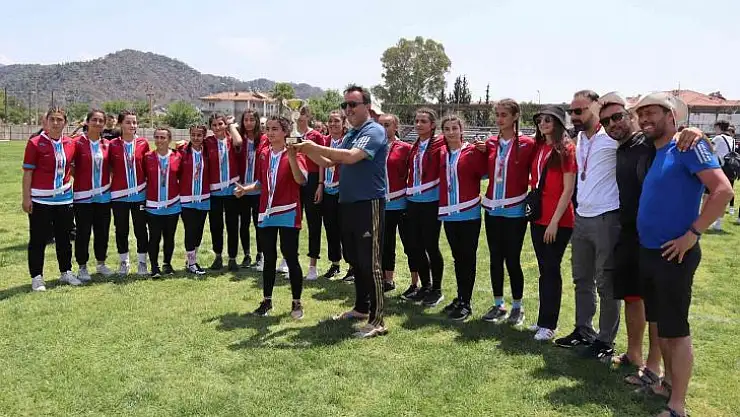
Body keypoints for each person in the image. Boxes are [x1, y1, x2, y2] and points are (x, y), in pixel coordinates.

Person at [634, 92, 733, 417]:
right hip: (651, 252)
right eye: (641, 113)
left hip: (674, 254)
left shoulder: (688, 146)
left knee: (675, 331)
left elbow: (723, 190)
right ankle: (665, 385)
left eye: (652, 112)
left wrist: (693, 233)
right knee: (662, 326)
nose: (644, 118)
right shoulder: (657, 149)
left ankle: (677, 405)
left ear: (671, 116)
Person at [292, 85, 389, 338]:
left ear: (367, 106)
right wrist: (304, 148)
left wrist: (314, 146)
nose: (348, 109)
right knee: (355, 259)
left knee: (370, 262)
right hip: (347, 204)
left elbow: (351, 157)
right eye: (345, 105)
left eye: (353, 104)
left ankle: (377, 320)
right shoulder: (351, 134)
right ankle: (361, 309)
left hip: (368, 204)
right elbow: (328, 162)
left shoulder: (373, 131)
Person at [597, 92, 662, 384]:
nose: (612, 124)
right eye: (606, 121)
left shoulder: (648, 144)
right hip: (628, 232)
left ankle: (653, 367)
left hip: (653, 234)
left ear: (629, 115)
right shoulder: (621, 149)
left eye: (617, 117)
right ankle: (634, 354)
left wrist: (694, 133)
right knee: (632, 297)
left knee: (654, 303)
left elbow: (674, 138)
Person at [554, 90, 622, 362]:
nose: (574, 116)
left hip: (607, 218)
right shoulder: (580, 138)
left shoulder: (613, 137)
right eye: (572, 111)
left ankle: (605, 340)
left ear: (596, 107)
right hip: (581, 217)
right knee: (582, 279)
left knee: (606, 283)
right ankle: (583, 330)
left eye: (579, 111)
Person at [235, 115, 307, 320]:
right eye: (268, 128)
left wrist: (291, 157)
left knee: (290, 256)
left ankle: (296, 302)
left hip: (288, 211)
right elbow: (261, 182)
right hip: (266, 212)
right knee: (269, 258)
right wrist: (246, 189)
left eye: (275, 129)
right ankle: (267, 301)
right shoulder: (264, 153)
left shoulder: (295, 152)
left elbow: (301, 180)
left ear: (285, 132)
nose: (270, 132)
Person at [479, 99, 536, 325]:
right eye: (497, 115)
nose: (499, 119)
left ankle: (518, 307)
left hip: (515, 210)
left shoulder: (528, 144)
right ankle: (498, 304)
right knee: (495, 258)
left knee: (512, 259)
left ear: (515, 116)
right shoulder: (490, 143)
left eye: (504, 115)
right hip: (493, 210)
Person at [528, 106, 576, 341]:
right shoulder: (540, 147)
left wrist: (555, 222)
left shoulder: (566, 149)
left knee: (551, 270)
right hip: (538, 217)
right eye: (540, 121)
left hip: (558, 220)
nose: (543, 124)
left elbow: (568, 189)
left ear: (558, 123)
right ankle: (542, 321)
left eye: (548, 120)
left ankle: (549, 325)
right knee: (544, 271)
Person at [22, 107, 81, 291]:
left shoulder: (70, 143)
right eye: (52, 119)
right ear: (46, 122)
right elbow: (28, 173)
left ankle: (66, 272)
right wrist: (26, 198)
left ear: (65, 123)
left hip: (64, 199)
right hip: (41, 200)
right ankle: (37, 277)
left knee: (64, 239)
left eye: (59, 119)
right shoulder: (35, 143)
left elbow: (73, 168)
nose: (56, 123)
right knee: (38, 239)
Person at [438, 114, 487, 321]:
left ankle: (466, 302)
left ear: (461, 130)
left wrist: (485, 150)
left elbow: (487, 170)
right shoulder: (441, 153)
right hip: (449, 214)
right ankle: (460, 297)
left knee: (467, 258)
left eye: (454, 128)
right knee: (458, 258)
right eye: (447, 129)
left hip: (469, 214)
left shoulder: (473, 152)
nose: (451, 132)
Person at [403, 108, 446, 307]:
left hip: (431, 202)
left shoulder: (440, 143)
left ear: (432, 125)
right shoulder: (415, 146)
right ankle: (425, 286)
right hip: (413, 202)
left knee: (431, 245)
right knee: (415, 245)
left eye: (423, 121)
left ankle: (437, 289)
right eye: (416, 121)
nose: (418, 124)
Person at [72, 109, 114, 281]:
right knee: (83, 232)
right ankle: (82, 267)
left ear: (104, 124)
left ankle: (101, 263)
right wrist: (82, 180)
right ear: (87, 122)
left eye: (100, 121)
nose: (97, 123)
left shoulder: (108, 144)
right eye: (94, 120)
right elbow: (71, 166)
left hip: (103, 197)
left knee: (102, 231)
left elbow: (111, 167)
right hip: (83, 197)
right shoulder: (76, 143)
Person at [379, 113, 418, 294]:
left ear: (396, 127)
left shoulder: (406, 148)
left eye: (387, 125)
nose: (383, 128)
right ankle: (388, 280)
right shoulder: (374, 148)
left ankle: (416, 283)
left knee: (411, 244)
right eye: (380, 125)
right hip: (382, 205)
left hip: (402, 204)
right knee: (386, 245)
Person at [109, 110, 150, 276]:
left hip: (139, 195)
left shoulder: (143, 143)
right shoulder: (112, 145)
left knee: (141, 229)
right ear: (120, 124)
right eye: (128, 122)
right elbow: (109, 168)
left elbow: (147, 167)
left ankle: (142, 263)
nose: (132, 125)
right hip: (119, 196)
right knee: (121, 229)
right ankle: (124, 262)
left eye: (134, 122)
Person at [205, 113, 243, 272]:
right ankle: (218, 256)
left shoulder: (232, 139)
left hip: (232, 191)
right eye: (214, 125)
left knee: (232, 226)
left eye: (220, 124)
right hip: (214, 193)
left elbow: (239, 142)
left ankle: (232, 258)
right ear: (210, 127)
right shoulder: (208, 142)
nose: (217, 127)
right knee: (216, 226)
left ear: (225, 125)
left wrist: (231, 125)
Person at [143, 128, 182, 278]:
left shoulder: (177, 156)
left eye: (163, 137)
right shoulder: (148, 157)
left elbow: (181, 176)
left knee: (169, 237)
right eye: (157, 137)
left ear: (169, 140)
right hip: (153, 205)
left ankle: (167, 264)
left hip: (173, 205)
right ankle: (154, 267)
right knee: (154, 237)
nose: (159, 140)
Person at [318, 110, 349, 280]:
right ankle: (335, 264)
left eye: (336, 121)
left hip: (343, 190)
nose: (332, 124)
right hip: (328, 189)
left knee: (346, 229)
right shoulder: (325, 141)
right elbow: (321, 163)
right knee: (331, 229)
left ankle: (352, 266)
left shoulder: (349, 140)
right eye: (330, 121)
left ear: (344, 123)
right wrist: (320, 184)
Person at [296, 106, 325, 280]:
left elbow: (321, 160)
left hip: (313, 179)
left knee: (313, 223)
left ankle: (313, 266)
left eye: (303, 114)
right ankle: (288, 259)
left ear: (309, 116)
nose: (300, 117)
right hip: (295, 179)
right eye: (297, 114)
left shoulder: (316, 136)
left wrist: (320, 184)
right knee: (292, 223)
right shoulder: (290, 134)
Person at [236, 110, 267, 270]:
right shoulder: (239, 139)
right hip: (242, 188)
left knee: (258, 223)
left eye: (252, 120)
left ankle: (260, 254)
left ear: (257, 121)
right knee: (244, 223)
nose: (248, 123)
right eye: (245, 120)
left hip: (258, 188)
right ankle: (246, 255)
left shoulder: (264, 139)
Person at [179, 125, 210, 275]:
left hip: (203, 198)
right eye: (193, 135)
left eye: (199, 135)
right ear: (189, 135)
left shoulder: (207, 152)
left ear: (204, 136)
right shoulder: (182, 151)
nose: (196, 138)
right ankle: (192, 263)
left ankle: (191, 259)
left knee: (198, 231)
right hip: (186, 199)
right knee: (190, 230)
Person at [708, 119, 736, 230]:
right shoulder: (732, 139)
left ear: (718, 127)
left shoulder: (718, 138)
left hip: (718, 169)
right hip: (730, 170)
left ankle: (706, 220)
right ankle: (718, 223)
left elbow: (709, 150)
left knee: (708, 195)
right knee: (723, 197)